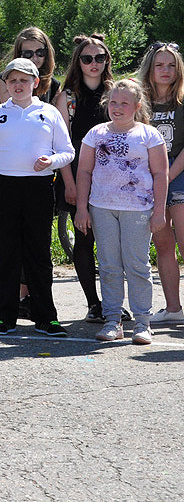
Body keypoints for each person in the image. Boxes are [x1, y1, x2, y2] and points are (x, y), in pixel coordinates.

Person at [0, 57, 74, 337]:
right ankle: (4, 314)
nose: (18, 85)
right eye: (12, 80)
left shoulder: (50, 113)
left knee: (38, 254)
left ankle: (46, 316)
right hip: (3, 188)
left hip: (38, 189)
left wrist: (50, 161)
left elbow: (68, 151)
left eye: (24, 80)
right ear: (5, 84)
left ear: (35, 83)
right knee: (6, 254)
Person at [74, 79, 166, 345]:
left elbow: (161, 174)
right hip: (101, 207)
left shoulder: (149, 135)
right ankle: (113, 319)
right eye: (113, 102)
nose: (118, 107)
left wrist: (158, 211)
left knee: (137, 265)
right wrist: (82, 208)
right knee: (109, 265)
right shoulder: (96, 133)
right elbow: (84, 172)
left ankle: (142, 322)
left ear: (137, 106)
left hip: (138, 210)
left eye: (124, 103)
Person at [54, 35, 114, 323]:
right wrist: (69, 183)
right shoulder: (67, 98)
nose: (94, 64)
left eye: (100, 58)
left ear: (107, 61)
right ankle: (94, 304)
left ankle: (114, 303)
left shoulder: (116, 92)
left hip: (114, 174)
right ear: (78, 62)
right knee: (84, 238)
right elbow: (60, 145)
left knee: (114, 243)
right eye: (87, 58)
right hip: (78, 172)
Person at [139, 42, 184, 325]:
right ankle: (173, 309)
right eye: (159, 65)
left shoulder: (182, 101)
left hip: (178, 175)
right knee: (163, 244)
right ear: (150, 69)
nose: (165, 70)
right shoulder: (139, 101)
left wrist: (167, 176)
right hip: (148, 178)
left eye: (171, 65)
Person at [0, 26, 59, 103]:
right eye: (28, 54)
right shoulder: (4, 79)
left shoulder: (53, 84)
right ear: (19, 54)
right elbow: (11, 110)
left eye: (40, 52)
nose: (35, 58)